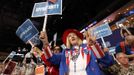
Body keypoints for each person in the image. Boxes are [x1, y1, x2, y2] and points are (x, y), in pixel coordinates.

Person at [37, 29, 113, 75]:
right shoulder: (64, 53)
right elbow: (51, 58)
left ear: (78, 38)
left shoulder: (89, 48)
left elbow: (108, 62)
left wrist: (93, 45)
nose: (72, 36)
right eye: (69, 36)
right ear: (68, 40)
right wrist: (45, 43)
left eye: (74, 35)